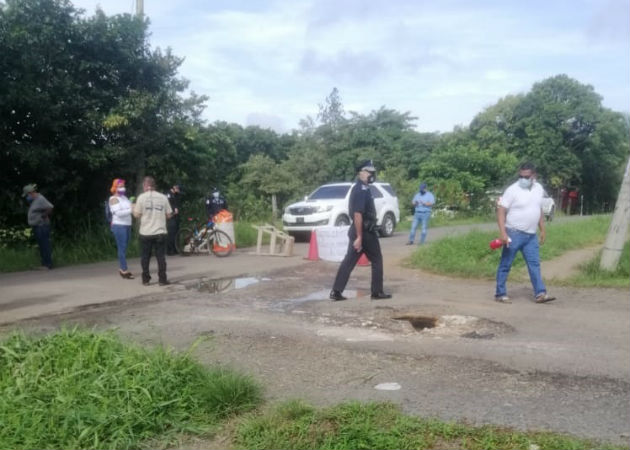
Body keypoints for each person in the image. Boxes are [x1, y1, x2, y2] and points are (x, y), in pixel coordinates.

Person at [330, 160, 392, 301]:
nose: (372, 175)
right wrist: (359, 237)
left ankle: (336, 291)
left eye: (372, 172)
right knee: (377, 260)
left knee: (349, 262)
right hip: (364, 232)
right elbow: (358, 214)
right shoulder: (360, 190)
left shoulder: (363, 188)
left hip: (361, 231)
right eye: (369, 172)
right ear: (361, 173)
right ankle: (377, 292)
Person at [495, 162, 555, 304]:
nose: (523, 179)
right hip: (514, 233)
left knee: (534, 264)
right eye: (520, 176)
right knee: (506, 263)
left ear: (534, 176)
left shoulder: (538, 188)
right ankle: (500, 293)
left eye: (526, 176)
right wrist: (503, 233)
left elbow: (538, 209)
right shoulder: (512, 190)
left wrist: (542, 229)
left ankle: (540, 293)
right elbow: (501, 211)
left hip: (530, 236)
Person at [133, 176, 173, 286]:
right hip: (160, 231)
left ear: (145, 186)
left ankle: (145, 279)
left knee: (145, 256)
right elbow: (169, 215)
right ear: (154, 186)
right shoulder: (163, 197)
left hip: (146, 232)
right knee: (161, 257)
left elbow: (137, 214)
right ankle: (162, 279)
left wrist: (133, 208)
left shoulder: (141, 197)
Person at [22, 184, 54, 270]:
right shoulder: (35, 200)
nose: (27, 197)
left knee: (45, 245)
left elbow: (50, 207)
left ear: (30, 193)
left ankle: (48, 264)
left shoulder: (40, 199)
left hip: (42, 226)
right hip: (38, 226)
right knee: (42, 245)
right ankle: (44, 264)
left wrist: (44, 215)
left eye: (27, 195)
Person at [108, 178, 134, 279]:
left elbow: (130, 208)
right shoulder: (113, 199)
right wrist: (131, 210)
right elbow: (118, 213)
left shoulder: (125, 198)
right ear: (115, 188)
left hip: (127, 225)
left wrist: (131, 207)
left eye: (123, 186)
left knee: (125, 247)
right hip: (119, 225)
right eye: (120, 186)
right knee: (122, 247)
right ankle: (124, 270)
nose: (123, 188)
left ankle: (122, 268)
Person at [166, 183, 181, 255]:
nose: (178, 190)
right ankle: (170, 250)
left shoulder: (176, 195)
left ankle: (176, 248)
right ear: (173, 187)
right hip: (171, 215)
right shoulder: (168, 194)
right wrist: (173, 209)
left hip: (176, 216)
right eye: (177, 188)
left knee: (176, 232)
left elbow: (177, 203)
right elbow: (168, 204)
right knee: (171, 233)